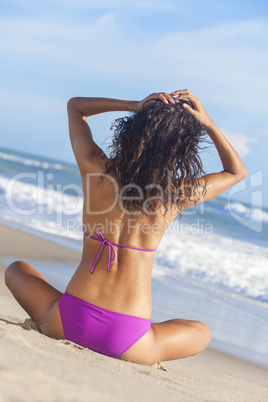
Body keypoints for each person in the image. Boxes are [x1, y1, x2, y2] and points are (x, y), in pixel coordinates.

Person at [5, 89, 247, 365]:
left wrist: (135, 105)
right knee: (201, 332)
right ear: (181, 150)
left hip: (67, 320)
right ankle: (143, 342)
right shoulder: (174, 195)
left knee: (16, 269)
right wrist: (206, 122)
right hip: (130, 341)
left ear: (129, 132)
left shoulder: (95, 167)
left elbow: (75, 107)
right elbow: (236, 172)